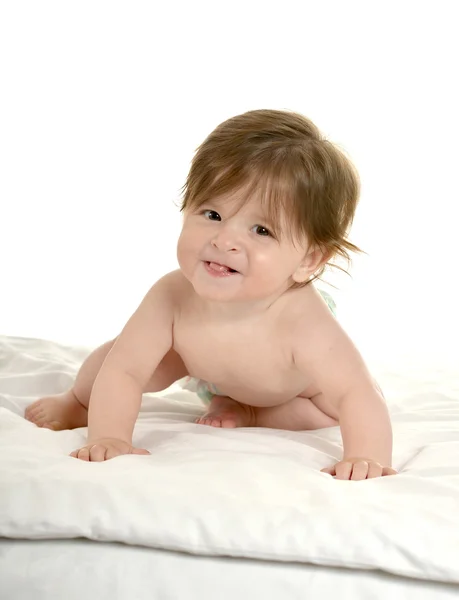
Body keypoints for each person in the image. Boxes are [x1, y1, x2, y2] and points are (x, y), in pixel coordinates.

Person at [25, 109, 396, 481]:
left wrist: (367, 455)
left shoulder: (303, 320)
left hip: (289, 390)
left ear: (309, 259)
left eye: (261, 230)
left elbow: (356, 393)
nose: (224, 240)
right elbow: (126, 369)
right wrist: (110, 436)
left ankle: (253, 414)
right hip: (201, 363)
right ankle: (77, 402)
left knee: (328, 412)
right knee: (111, 360)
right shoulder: (173, 294)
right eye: (213, 214)